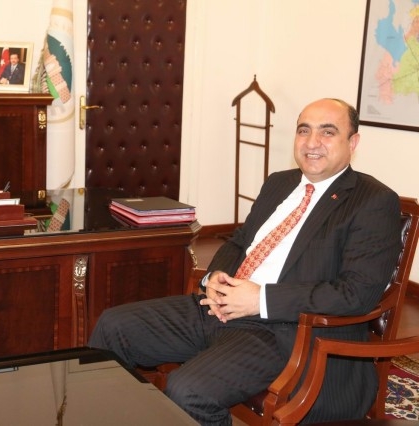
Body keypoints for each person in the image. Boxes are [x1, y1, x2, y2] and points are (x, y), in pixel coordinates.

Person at [89, 98, 401, 425]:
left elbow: (356, 293)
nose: (312, 142)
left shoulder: (373, 201)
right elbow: (240, 241)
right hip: (221, 306)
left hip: (283, 331)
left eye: (327, 132)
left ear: (353, 142)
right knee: (113, 326)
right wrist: (215, 277)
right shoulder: (280, 183)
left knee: (189, 391)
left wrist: (260, 299)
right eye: (304, 130)